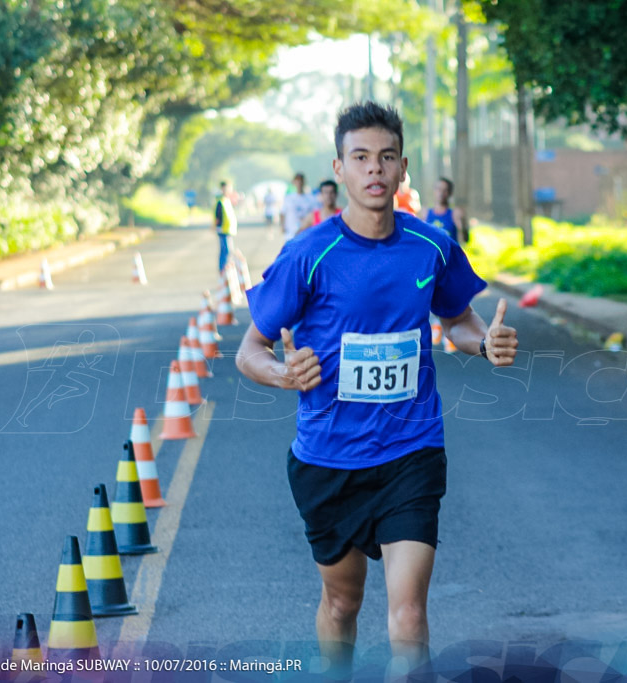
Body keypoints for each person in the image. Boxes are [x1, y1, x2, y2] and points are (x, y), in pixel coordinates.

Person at [236, 101, 518, 678]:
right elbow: (250, 351)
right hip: (327, 459)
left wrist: (483, 342)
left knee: (409, 616)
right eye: (360, 157)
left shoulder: (432, 244)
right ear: (339, 168)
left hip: (410, 453)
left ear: (402, 167)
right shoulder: (308, 255)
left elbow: (458, 319)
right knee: (342, 604)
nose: (374, 170)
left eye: (386, 157)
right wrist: (283, 374)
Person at [422, 177, 466, 243]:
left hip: (449, 252)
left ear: (450, 193)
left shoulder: (455, 214)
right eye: (439, 189)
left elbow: (465, 240)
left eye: (445, 190)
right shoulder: (425, 213)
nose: (441, 193)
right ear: (434, 190)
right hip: (432, 253)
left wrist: (462, 229)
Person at [280, 173, 317, 241]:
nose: (299, 183)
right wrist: (282, 226)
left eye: (301, 181)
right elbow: (282, 213)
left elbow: (315, 214)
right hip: (290, 234)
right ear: (294, 182)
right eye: (297, 180)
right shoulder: (288, 198)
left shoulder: (311, 198)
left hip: (306, 234)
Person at [213, 180, 237, 273]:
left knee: (229, 251)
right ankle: (223, 271)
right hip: (223, 230)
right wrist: (215, 226)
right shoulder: (221, 202)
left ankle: (227, 269)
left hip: (228, 230)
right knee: (226, 251)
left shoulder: (227, 201)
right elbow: (218, 216)